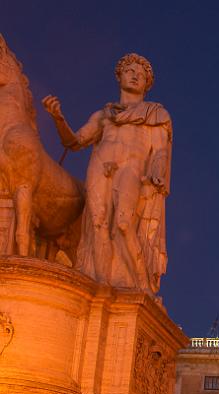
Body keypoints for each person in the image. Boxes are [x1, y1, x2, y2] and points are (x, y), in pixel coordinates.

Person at [42, 53, 172, 296]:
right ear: (119, 76)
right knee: (97, 223)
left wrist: (154, 178)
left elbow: (160, 153)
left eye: (140, 74)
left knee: (124, 224)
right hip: (100, 168)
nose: (134, 75)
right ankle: (99, 290)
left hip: (131, 171)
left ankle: (142, 286)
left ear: (146, 84)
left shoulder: (155, 115)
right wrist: (59, 119)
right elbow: (74, 142)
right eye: (129, 71)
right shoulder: (103, 116)